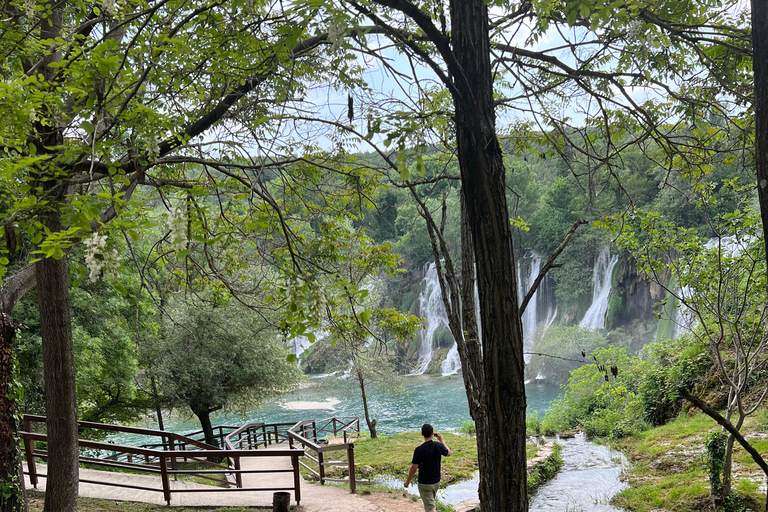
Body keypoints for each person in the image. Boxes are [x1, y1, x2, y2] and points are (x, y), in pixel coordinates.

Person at [404, 423, 451, 512]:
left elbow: (413, 468)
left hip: (425, 483)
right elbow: (448, 453)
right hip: (436, 482)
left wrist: (407, 482)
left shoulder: (419, 450)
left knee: (431, 509)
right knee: (429, 505)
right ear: (432, 433)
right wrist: (442, 440)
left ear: (422, 434)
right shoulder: (438, 445)